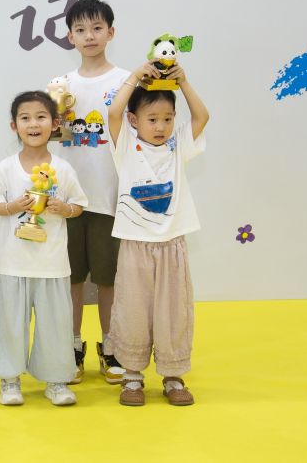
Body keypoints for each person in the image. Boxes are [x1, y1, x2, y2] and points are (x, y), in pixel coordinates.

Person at [106, 60, 209, 406]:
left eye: (167, 119)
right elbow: (114, 113)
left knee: (173, 311)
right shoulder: (125, 146)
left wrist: (184, 82)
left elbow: (202, 117)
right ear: (135, 121)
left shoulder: (178, 145)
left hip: (172, 244)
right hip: (135, 245)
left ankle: (173, 375)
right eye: (152, 119)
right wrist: (136, 76)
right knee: (133, 308)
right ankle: (132, 375)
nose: (161, 126)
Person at [0, 91, 89, 406]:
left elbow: (79, 205)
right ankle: (10, 379)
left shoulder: (64, 169)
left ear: (55, 123)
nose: (33, 124)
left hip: (52, 264)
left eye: (41, 117)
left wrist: (63, 208)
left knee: (55, 324)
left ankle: (56, 381)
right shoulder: (5, 168)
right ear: (13, 125)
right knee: (10, 323)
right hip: (13, 263)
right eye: (25, 118)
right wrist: (14, 206)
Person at [54, 0, 131, 384]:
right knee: (69, 278)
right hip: (68, 200)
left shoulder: (127, 81)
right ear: (70, 37)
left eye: (97, 28)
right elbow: (48, 133)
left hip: (110, 196)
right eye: (81, 29)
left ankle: (112, 347)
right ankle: (71, 346)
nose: (89, 36)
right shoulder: (60, 86)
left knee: (108, 279)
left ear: (111, 33)